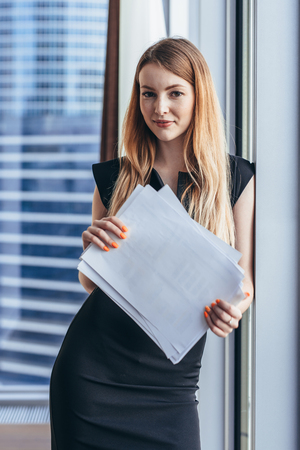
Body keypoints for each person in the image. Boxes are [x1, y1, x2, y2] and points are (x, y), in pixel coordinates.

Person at [50, 37, 254, 449]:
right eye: (148, 94)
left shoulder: (234, 180)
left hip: (171, 387)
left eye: (174, 93)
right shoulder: (114, 178)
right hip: (91, 377)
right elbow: (92, 285)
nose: (159, 108)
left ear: (199, 96)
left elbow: (243, 280)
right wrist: (92, 251)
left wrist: (233, 311)